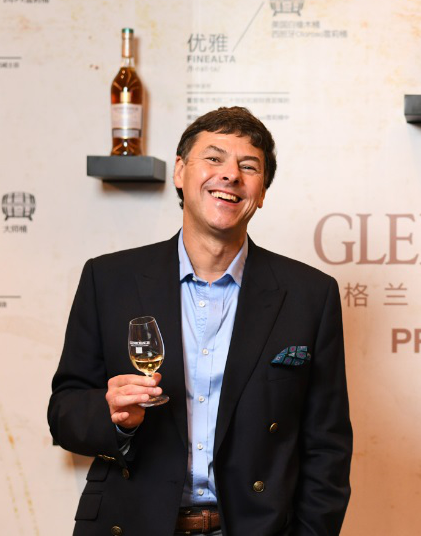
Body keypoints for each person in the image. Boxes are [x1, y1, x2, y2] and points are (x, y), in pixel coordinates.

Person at [49, 107, 352, 535]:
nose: (230, 175)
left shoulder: (309, 295)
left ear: (262, 191)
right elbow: (63, 412)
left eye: (249, 166)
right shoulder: (109, 279)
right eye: (213, 158)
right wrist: (112, 415)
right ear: (179, 171)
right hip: (130, 524)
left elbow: (328, 445)